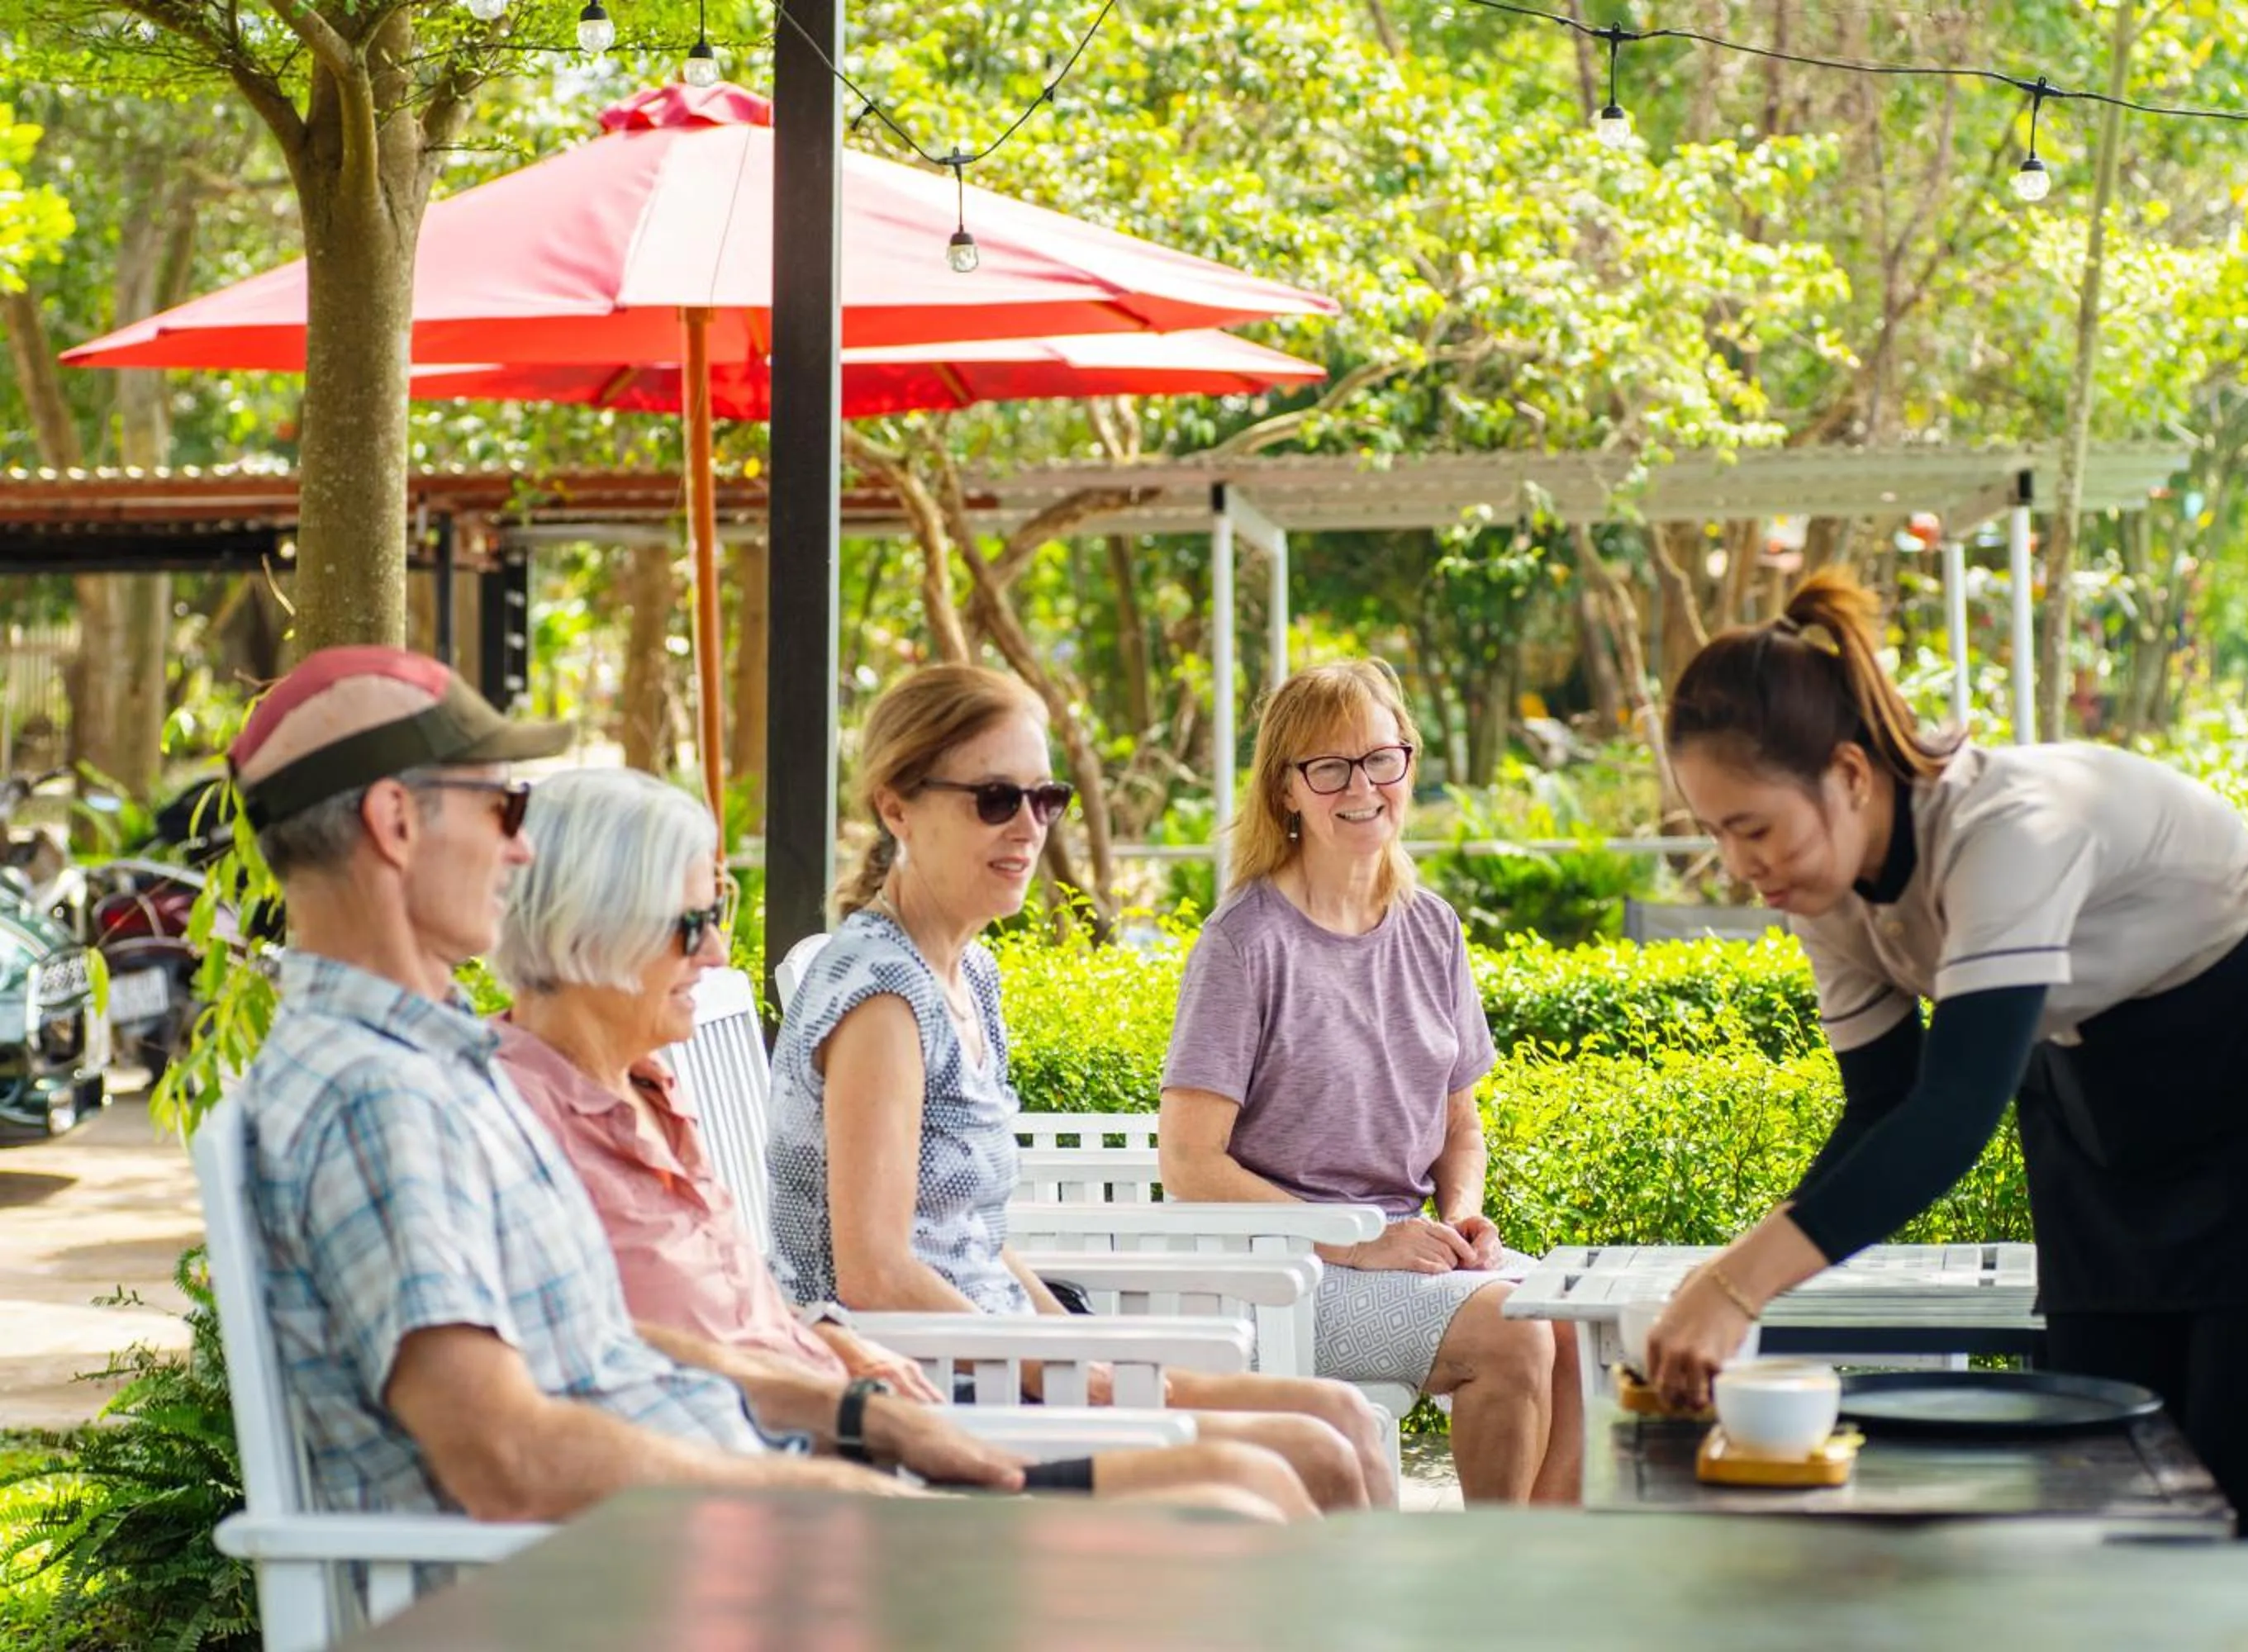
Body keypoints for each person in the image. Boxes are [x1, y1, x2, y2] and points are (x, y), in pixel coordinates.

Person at [223, 645, 1164, 1530]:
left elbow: (599, 1337)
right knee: (1212, 1516)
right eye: (500, 807)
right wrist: (817, 1483)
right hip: (662, 1571)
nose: (519, 851)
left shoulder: (434, 1068)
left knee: (1221, 1506)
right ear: (394, 824)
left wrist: (842, 1405)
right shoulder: (377, 1097)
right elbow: (503, 1450)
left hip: (737, 1514)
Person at [1633, 570, 2248, 1540]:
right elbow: (1883, 1110)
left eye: (1754, 826)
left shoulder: (2008, 826)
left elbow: (1950, 1117)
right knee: (2110, 1484)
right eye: (1717, 833)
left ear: (1851, 774)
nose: (1741, 864)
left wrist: (1733, 1284)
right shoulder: (1827, 886)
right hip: (2108, 1111)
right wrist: (1735, 1279)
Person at [487, 766, 1313, 1520]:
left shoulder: (648, 1090)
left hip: (862, 1433)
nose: (714, 948)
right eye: (690, 922)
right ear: (582, 924)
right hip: (793, 1493)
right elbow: (602, 1354)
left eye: (720, 911)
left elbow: (739, 1299)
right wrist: (856, 1409)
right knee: (1252, 1486)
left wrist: (823, 1332)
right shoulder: (515, 1121)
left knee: (1282, 1463)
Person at [767, 664, 1395, 1512]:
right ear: (896, 807)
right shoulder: (882, 995)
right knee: (1310, 1452)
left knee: (1345, 1414)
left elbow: (971, 1239)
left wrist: (1072, 1343)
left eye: (1043, 797)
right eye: (994, 797)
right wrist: (1065, 1366)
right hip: (939, 1393)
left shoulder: (967, 972)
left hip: (1005, 1358)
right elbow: (875, 1272)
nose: (1028, 827)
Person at [1158, 660, 1585, 1506]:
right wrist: (1355, 1241)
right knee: (1514, 1337)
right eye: (1329, 766)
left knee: (1583, 1332)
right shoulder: (1244, 943)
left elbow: (1458, 1125)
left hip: (1403, 1250)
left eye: (1381, 758)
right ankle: (1492, 1584)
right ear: (1286, 790)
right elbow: (1189, 1161)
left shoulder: (1432, 927)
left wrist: (1460, 1210)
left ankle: (1534, 1584)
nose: (1362, 786)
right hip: (1281, 1272)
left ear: (1408, 765)